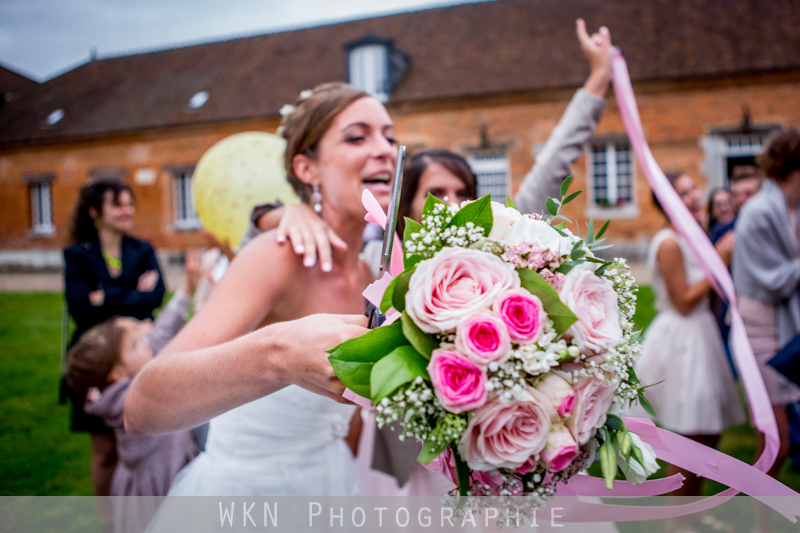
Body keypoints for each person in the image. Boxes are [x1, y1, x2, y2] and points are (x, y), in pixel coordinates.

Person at [126, 82, 391, 496]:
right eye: (358, 136)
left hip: (335, 481)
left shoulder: (377, 274)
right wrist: (277, 353)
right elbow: (142, 405)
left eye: (390, 136)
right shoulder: (277, 254)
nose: (385, 149)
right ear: (307, 169)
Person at [65, 251, 202, 533]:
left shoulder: (120, 383)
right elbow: (167, 343)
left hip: (136, 486)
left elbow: (159, 333)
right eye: (137, 342)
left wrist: (187, 288)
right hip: (160, 490)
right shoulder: (138, 396)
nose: (148, 331)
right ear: (118, 372)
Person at [62, 179, 165, 528]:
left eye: (129, 203)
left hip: (138, 359)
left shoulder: (143, 249)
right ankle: (109, 521)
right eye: (117, 204)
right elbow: (79, 308)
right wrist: (133, 296)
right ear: (95, 213)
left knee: (146, 444)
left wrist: (104, 298)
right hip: (99, 364)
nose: (127, 210)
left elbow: (156, 297)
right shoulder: (77, 256)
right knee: (106, 451)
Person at [633, 172, 744, 496]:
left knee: (710, 434)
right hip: (682, 339)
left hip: (702, 332)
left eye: (694, 188)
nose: (694, 197)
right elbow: (682, 301)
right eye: (683, 194)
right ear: (668, 203)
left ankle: (692, 514)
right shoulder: (668, 243)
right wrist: (718, 265)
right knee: (690, 437)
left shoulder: (694, 235)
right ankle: (678, 521)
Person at [732, 128, 800, 479]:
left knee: (778, 443)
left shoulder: (793, 208)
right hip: (760, 329)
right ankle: (759, 525)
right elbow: (771, 281)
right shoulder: (758, 212)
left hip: (788, 324)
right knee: (775, 443)